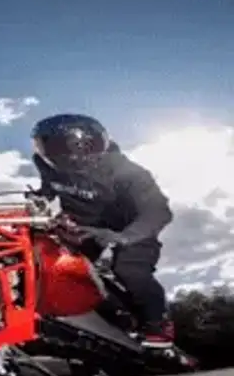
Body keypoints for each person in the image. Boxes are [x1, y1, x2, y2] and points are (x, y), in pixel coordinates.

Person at [30, 113, 176, 351]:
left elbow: (158, 211)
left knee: (129, 268)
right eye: (54, 149)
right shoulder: (47, 166)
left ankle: (158, 323)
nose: (66, 157)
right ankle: (107, 312)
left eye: (72, 148)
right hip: (86, 227)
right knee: (54, 258)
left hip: (131, 229)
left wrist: (123, 237)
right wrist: (40, 199)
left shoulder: (127, 172)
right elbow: (48, 188)